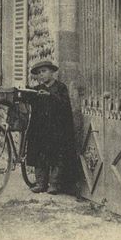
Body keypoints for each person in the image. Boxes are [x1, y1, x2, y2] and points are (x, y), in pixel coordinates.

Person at [24, 60, 76, 195]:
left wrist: (51, 96)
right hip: (40, 129)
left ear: (52, 72)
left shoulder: (60, 88)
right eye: (39, 73)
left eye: (44, 71)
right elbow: (29, 101)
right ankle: (41, 183)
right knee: (39, 155)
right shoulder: (37, 89)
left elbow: (65, 106)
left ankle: (54, 184)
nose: (41, 75)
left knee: (57, 156)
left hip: (56, 129)